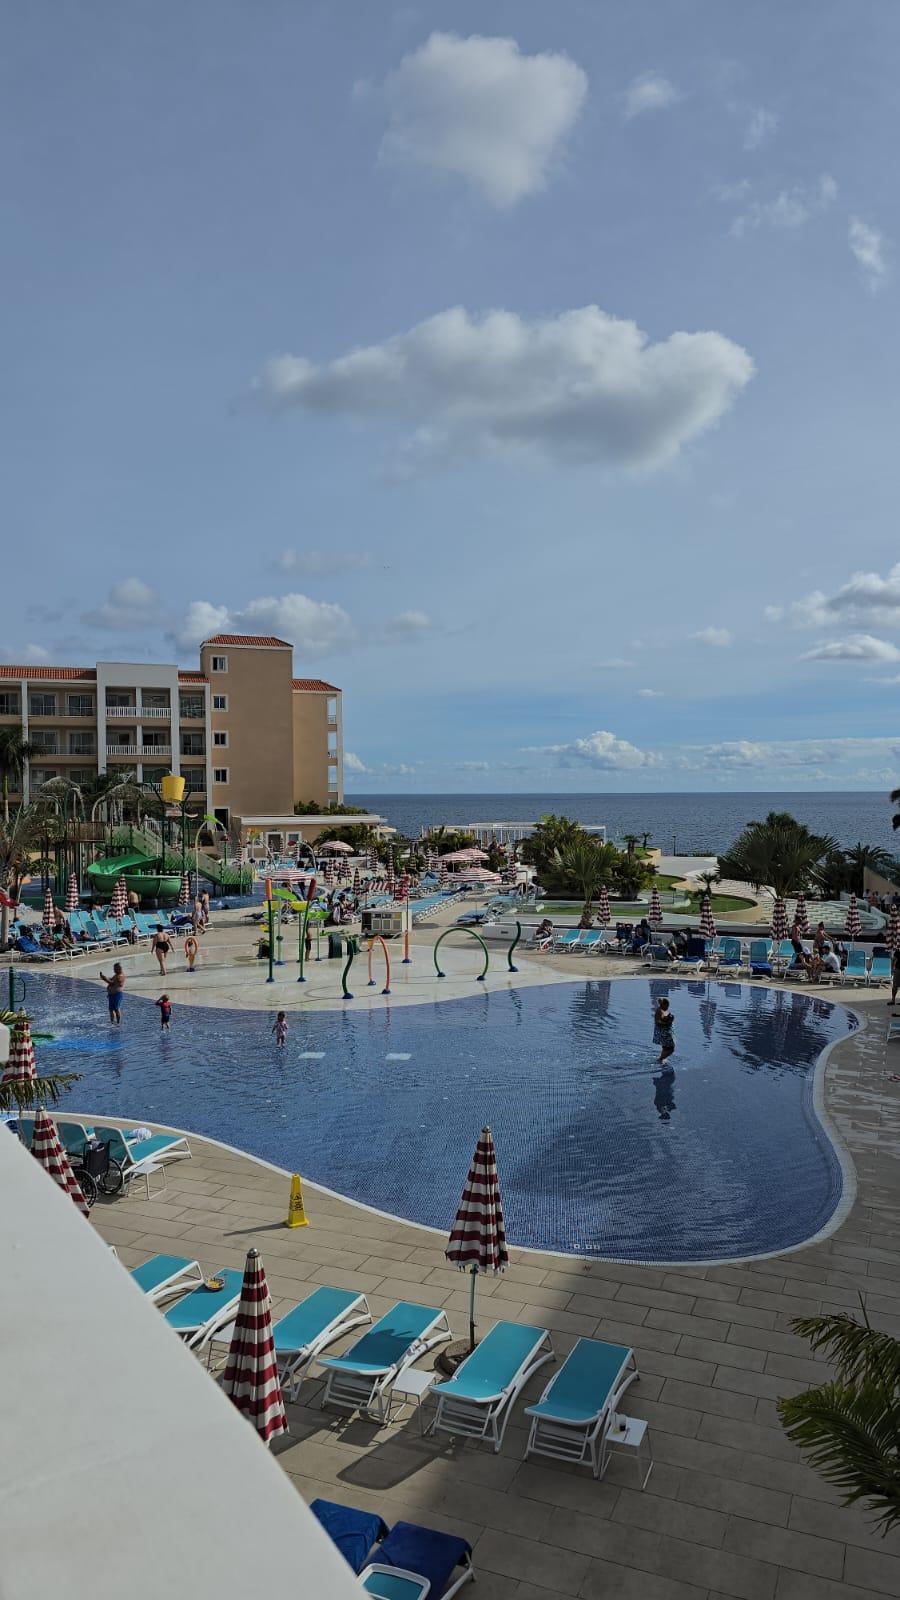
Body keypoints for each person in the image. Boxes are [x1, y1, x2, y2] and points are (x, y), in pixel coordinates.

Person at [653, 997, 675, 1063]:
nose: (668, 1007)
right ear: (664, 1005)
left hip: (664, 1032)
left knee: (665, 1047)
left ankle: (662, 1058)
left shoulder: (662, 1010)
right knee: (671, 1048)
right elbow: (658, 1022)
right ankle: (660, 1059)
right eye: (667, 1006)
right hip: (664, 1033)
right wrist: (668, 1022)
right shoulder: (659, 1011)